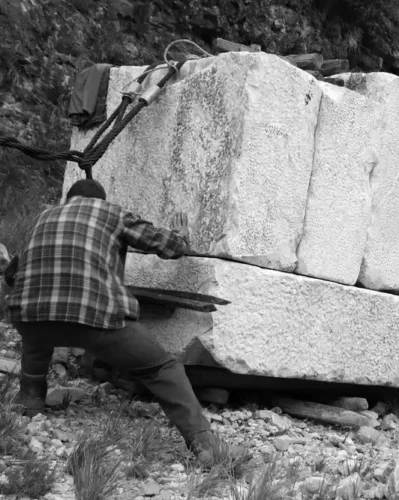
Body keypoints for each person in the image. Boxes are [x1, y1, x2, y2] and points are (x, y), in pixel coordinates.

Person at [3, 179, 247, 467]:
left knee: (38, 328)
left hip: (28, 315)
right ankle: (205, 444)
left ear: (68, 199)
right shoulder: (113, 213)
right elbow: (166, 245)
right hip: (96, 318)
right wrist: (181, 237)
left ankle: (29, 401)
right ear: (100, 200)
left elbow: (10, 275)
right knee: (163, 367)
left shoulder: (41, 219)